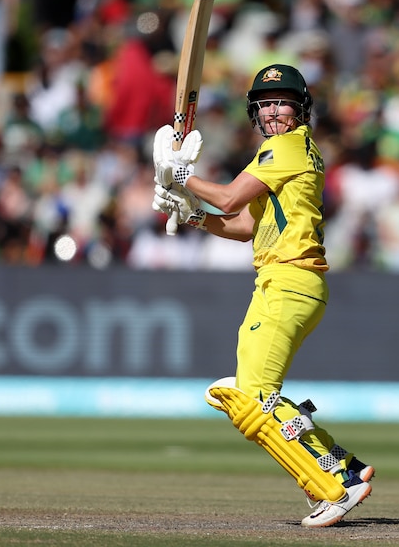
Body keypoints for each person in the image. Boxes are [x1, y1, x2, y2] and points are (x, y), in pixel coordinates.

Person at [151, 64, 374, 527]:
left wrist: (179, 175)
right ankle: (341, 466)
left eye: (282, 102)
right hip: (291, 283)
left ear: (300, 107)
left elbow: (229, 198)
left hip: (288, 282)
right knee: (264, 396)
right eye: (266, 104)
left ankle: (330, 490)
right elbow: (243, 225)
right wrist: (191, 214)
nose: (273, 111)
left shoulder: (287, 147)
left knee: (250, 398)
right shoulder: (287, 152)